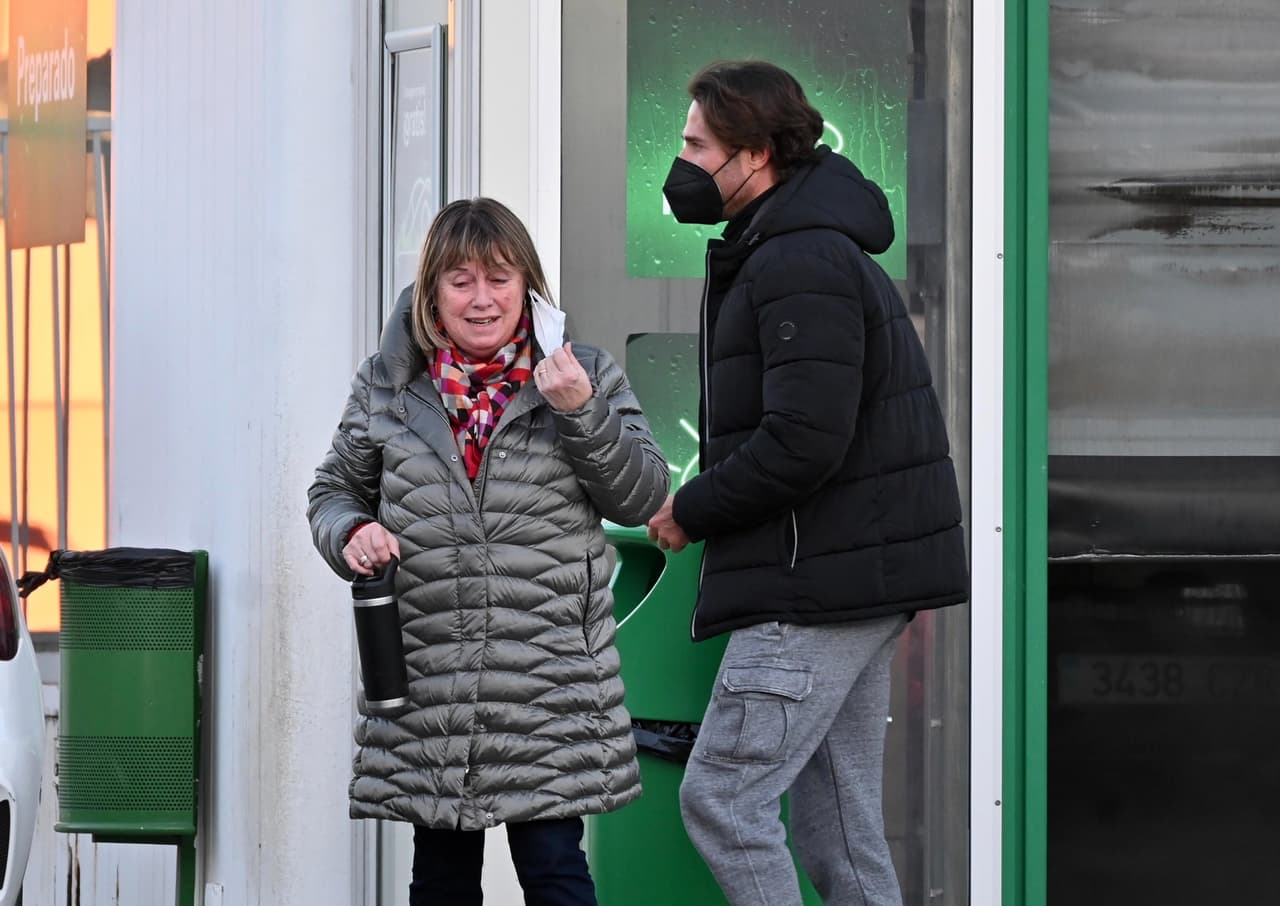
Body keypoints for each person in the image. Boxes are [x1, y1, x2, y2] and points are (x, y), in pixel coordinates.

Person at [646, 61, 969, 906]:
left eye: (695, 145)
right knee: (836, 823)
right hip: (848, 578)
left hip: (813, 585)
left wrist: (693, 506)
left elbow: (803, 439)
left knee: (723, 798)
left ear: (753, 156)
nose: (680, 162)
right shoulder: (796, 245)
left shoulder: (799, 260)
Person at [308, 197, 669, 906]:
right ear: (431, 295)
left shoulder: (582, 373)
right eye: (461, 280)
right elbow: (333, 494)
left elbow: (640, 497)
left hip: (548, 690)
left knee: (556, 876)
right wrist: (352, 532)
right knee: (440, 882)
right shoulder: (387, 385)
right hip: (431, 682)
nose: (482, 299)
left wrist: (579, 408)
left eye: (500, 278)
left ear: (528, 288)